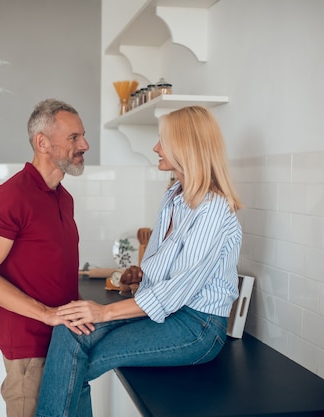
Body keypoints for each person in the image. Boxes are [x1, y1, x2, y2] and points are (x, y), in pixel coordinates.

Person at [35, 105, 243, 417]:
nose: (156, 147)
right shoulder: (174, 196)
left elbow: (176, 292)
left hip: (196, 325)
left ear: (186, 147)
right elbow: (165, 269)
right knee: (69, 327)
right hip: (164, 312)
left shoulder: (213, 210)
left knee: (78, 363)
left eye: (163, 141)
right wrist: (141, 276)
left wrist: (105, 312)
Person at [0, 98, 90, 417]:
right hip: (30, 352)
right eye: (74, 137)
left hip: (66, 343)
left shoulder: (64, 199)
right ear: (43, 143)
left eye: (83, 136)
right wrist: (46, 314)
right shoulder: (11, 197)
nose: (85, 145)